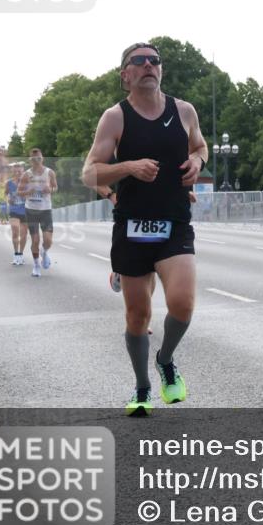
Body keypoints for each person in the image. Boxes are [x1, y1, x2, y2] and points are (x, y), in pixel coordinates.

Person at [82, 42, 208, 416]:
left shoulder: (184, 111)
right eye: (139, 61)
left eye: (155, 60)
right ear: (126, 75)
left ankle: (166, 359)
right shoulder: (115, 118)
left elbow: (200, 146)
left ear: (161, 71)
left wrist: (198, 161)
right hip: (132, 227)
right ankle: (141, 388)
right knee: (138, 316)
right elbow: (90, 172)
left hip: (174, 223)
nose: (149, 65)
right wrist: (128, 167)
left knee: (182, 304)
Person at [17, 148, 58, 277]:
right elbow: (19, 192)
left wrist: (50, 189)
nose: (37, 161)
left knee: (48, 240)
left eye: (39, 158)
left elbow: (55, 187)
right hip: (31, 209)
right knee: (35, 239)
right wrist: (28, 192)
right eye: (34, 159)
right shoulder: (26, 174)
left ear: (42, 159)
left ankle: (44, 252)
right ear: (30, 160)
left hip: (45, 209)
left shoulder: (49, 172)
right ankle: (36, 266)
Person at [6, 162, 28, 264]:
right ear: (13, 172)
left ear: (23, 171)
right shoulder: (9, 183)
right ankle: (15, 254)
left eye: (20, 170)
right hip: (14, 210)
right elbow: (6, 194)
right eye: (16, 171)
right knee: (15, 231)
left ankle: (21, 254)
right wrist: (8, 199)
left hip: (26, 210)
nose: (18, 172)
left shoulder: (28, 182)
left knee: (24, 234)